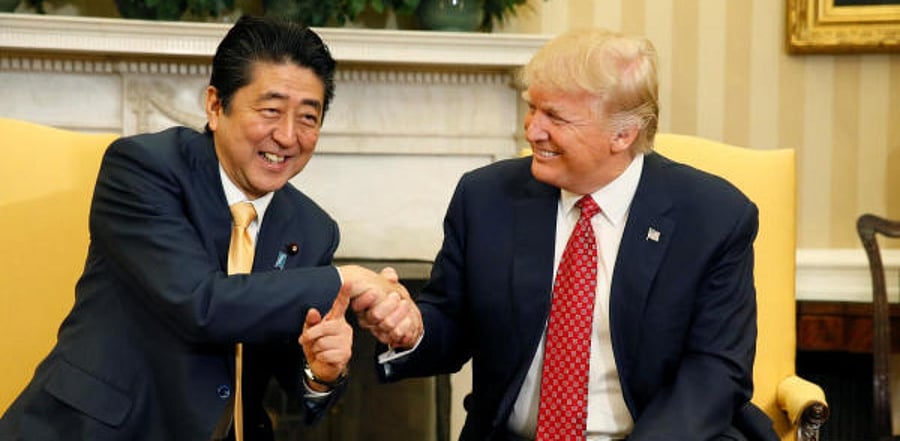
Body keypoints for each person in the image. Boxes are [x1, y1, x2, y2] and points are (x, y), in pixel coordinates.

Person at [353, 28, 778, 440]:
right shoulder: (485, 198)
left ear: (623, 134)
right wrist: (411, 329)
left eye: (554, 116)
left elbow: (715, 371)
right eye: (533, 108)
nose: (532, 129)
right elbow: (450, 322)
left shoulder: (712, 216)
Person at [0, 15, 404, 441]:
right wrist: (350, 279)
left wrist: (320, 372)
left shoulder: (312, 228)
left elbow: (291, 369)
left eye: (308, 117)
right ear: (215, 106)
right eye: (270, 110)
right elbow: (201, 304)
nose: (288, 136)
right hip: (99, 430)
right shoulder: (143, 169)